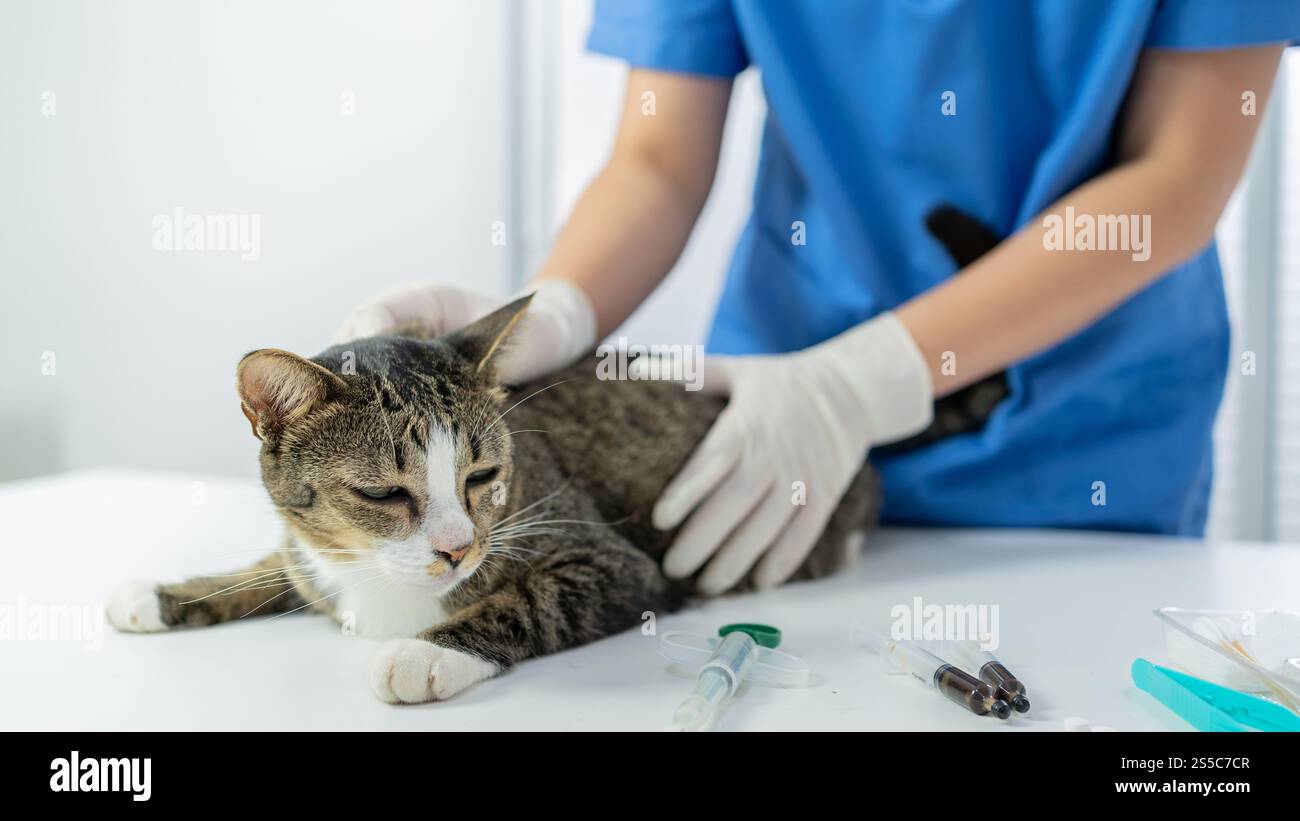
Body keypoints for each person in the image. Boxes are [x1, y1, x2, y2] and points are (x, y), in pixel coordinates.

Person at [337, 2, 1296, 595]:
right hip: (769, 448)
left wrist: (865, 381)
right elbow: (658, 160)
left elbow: (1177, 181)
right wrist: (555, 312)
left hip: (1086, 457)